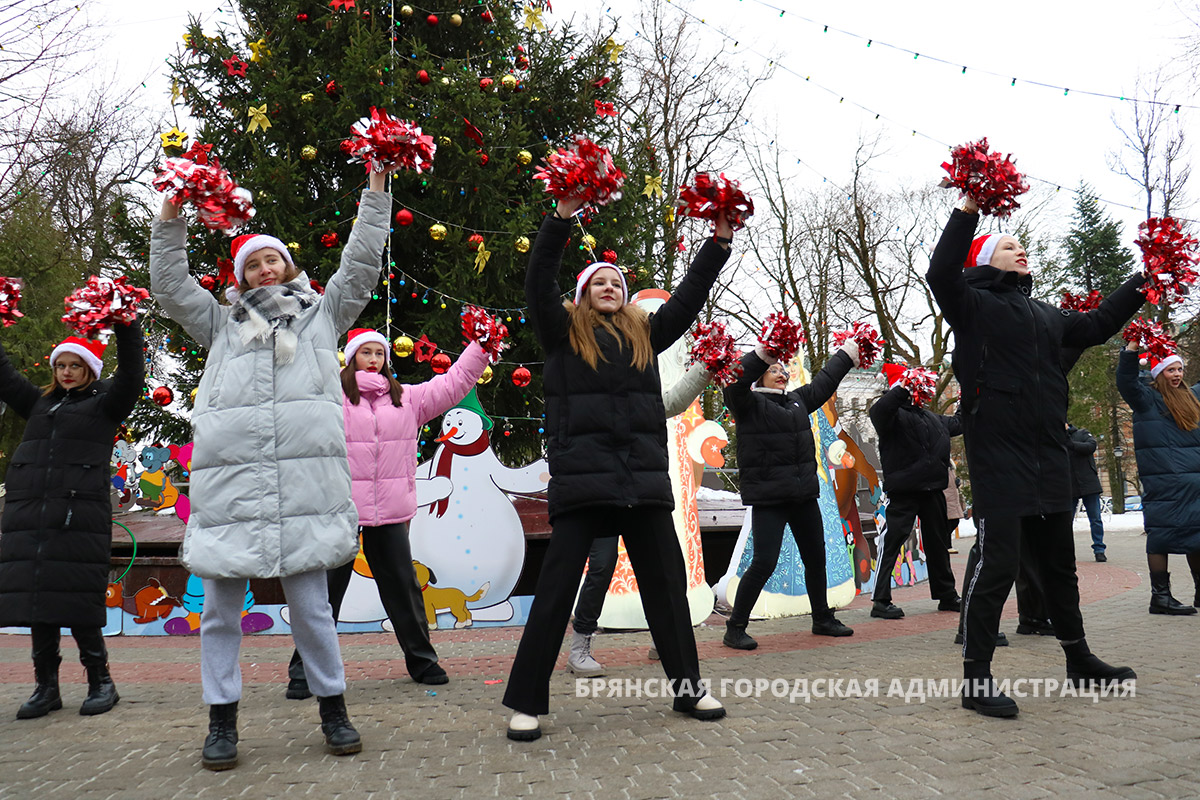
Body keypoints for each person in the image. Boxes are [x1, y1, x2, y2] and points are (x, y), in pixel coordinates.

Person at [150, 169, 393, 768]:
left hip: (305, 491)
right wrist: (170, 218)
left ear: (287, 268)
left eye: (272, 262)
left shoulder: (322, 316)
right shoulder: (220, 325)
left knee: (312, 611)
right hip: (231, 491)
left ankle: (333, 709)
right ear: (240, 277)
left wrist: (377, 192)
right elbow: (170, 287)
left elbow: (359, 266)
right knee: (219, 615)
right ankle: (221, 723)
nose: (264, 271)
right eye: (253, 264)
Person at [502, 194, 733, 741]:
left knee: (667, 590)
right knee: (556, 591)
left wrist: (718, 243)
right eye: (598, 282)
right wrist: (559, 217)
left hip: (642, 484)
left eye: (618, 283)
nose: (610, 287)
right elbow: (539, 277)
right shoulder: (559, 334)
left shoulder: (644, 338)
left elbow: (687, 301)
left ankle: (688, 688)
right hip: (583, 484)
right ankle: (528, 702)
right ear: (581, 295)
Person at [926, 195, 1142, 717]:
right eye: (1008, 245)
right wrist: (969, 209)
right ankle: (976, 678)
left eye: (1022, 244)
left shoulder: (1046, 315)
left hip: (1050, 455)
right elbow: (939, 272)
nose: (1020, 249)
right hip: (999, 456)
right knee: (998, 564)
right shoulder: (971, 304)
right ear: (982, 260)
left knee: (1060, 566)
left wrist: (1144, 280)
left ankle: (1079, 660)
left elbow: (1096, 325)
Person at [284, 328, 489, 697]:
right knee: (324, 594)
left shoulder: (407, 399)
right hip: (340, 511)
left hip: (391, 512)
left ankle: (423, 662)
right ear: (351, 357)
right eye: (367, 353)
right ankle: (303, 672)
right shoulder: (331, 396)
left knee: (404, 590)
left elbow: (454, 382)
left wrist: (481, 348)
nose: (375, 359)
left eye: (380, 353)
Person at [0, 324, 143, 719]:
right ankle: (46, 688)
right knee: (37, 605)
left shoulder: (105, 405)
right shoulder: (38, 404)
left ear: (89, 371)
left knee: (78, 602)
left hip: (76, 518)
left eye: (74, 366)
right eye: (60, 365)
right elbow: (4, 375)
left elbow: (132, 376)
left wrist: (126, 327)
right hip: (31, 520)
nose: (65, 372)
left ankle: (101, 683)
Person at [567, 362, 712, 677]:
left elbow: (672, 403)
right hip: (601, 495)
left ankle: (667, 642)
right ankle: (580, 644)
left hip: (641, 496)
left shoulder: (642, 393)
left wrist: (707, 366)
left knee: (662, 570)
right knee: (602, 565)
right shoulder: (587, 393)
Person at [721, 335, 861, 650]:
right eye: (774, 368)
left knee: (816, 557)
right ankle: (735, 627)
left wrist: (848, 353)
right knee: (764, 562)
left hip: (802, 497)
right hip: (771, 499)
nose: (782, 372)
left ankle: (822, 618)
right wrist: (762, 354)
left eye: (784, 368)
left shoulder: (796, 402)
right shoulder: (747, 402)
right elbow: (734, 382)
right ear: (760, 376)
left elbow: (824, 383)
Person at [868, 365, 961, 620]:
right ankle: (880, 600)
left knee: (938, 544)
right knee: (891, 542)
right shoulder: (891, 415)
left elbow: (959, 423)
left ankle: (947, 595)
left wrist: (970, 396)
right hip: (904, 491)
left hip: (933, 490)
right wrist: (904, 386)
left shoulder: (932, 418)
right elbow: (878, 410)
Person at [1116, 344, 1200, 615]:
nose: (1176, 374)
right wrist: (1130, 351)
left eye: (1179, 369)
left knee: (1197, 535)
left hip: (1193, 484)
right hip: (1164, 484)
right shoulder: (1146, 399)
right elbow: (1126, 381)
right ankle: (1160, 597)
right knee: (1161, 535)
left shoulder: (1192, 397)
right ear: (1158, 373)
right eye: (1170, 370)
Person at [1067, 424, 1107, 563]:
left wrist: (1071, 444)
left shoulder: (1082, 433)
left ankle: (1099, 550)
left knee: (1095, 519)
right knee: (1066, 522)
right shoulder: (1057, 438)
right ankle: (1066, 552)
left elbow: (1091, 446)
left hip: (1089, 483)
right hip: (1069, 485)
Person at [944, 463, 964, 555]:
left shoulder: (950, 467)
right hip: (947, 498)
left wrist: (957, 482)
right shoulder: (943, 466)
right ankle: (947, 546)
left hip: (953, 498)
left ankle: (947, 545)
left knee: (954, 522)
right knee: (948, 523)